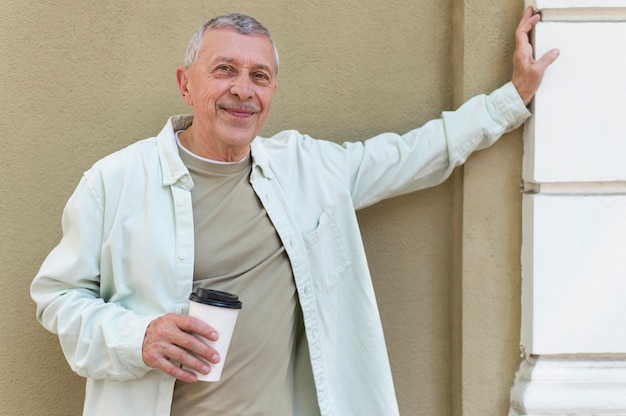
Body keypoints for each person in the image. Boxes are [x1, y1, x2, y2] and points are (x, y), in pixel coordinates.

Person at [30, 8, 558, 416]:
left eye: (259, 75)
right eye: (224, 70)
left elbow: (413, 154)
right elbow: (57, 297)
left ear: (273, 90)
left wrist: (511, 99)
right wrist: (136, 337)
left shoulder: (306, 169)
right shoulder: (114, 181)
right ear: (185, 83)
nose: (243, 90)